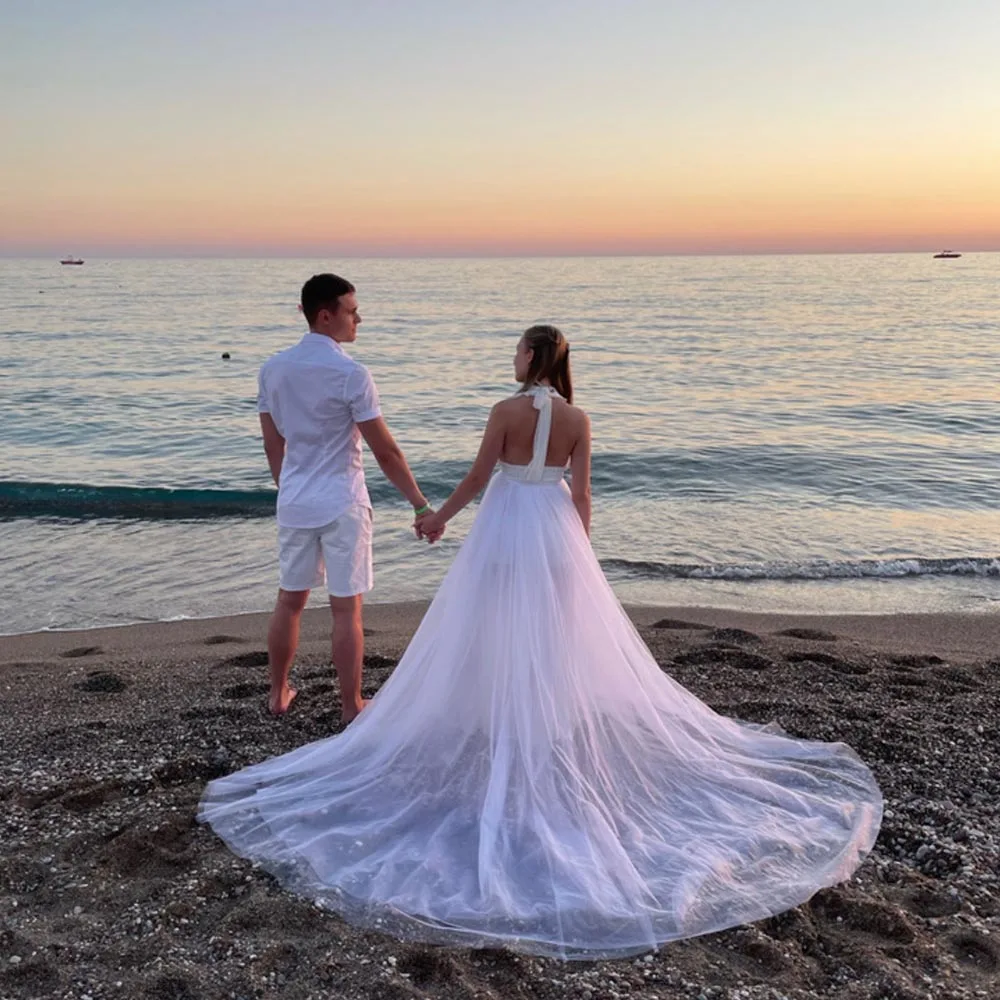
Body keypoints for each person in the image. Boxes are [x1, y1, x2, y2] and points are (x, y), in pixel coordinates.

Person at [201, 324, 881, 959]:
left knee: (491, 618)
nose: (514, 358)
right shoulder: (580, 420)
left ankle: (496, 711)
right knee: (552, 626)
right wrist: (577, 553)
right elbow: (582, 497)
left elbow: (476, 478)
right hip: (553, 526)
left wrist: (434, 516)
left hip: (506, 524)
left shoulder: (505, 410)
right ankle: (545, 716)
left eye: (519, 350)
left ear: (533, 358)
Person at [256, 273, 439, 721]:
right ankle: (350, 705)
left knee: (290, 601)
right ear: (326, 315)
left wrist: (289, 487)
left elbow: (272, 443)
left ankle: (278, 694)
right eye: (352, 310)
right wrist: (420, 504)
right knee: (346, 608)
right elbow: (385, 450)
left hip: (296, 499)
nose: (359, 318)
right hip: (342, 501)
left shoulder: (273, 369)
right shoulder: (351, 374)